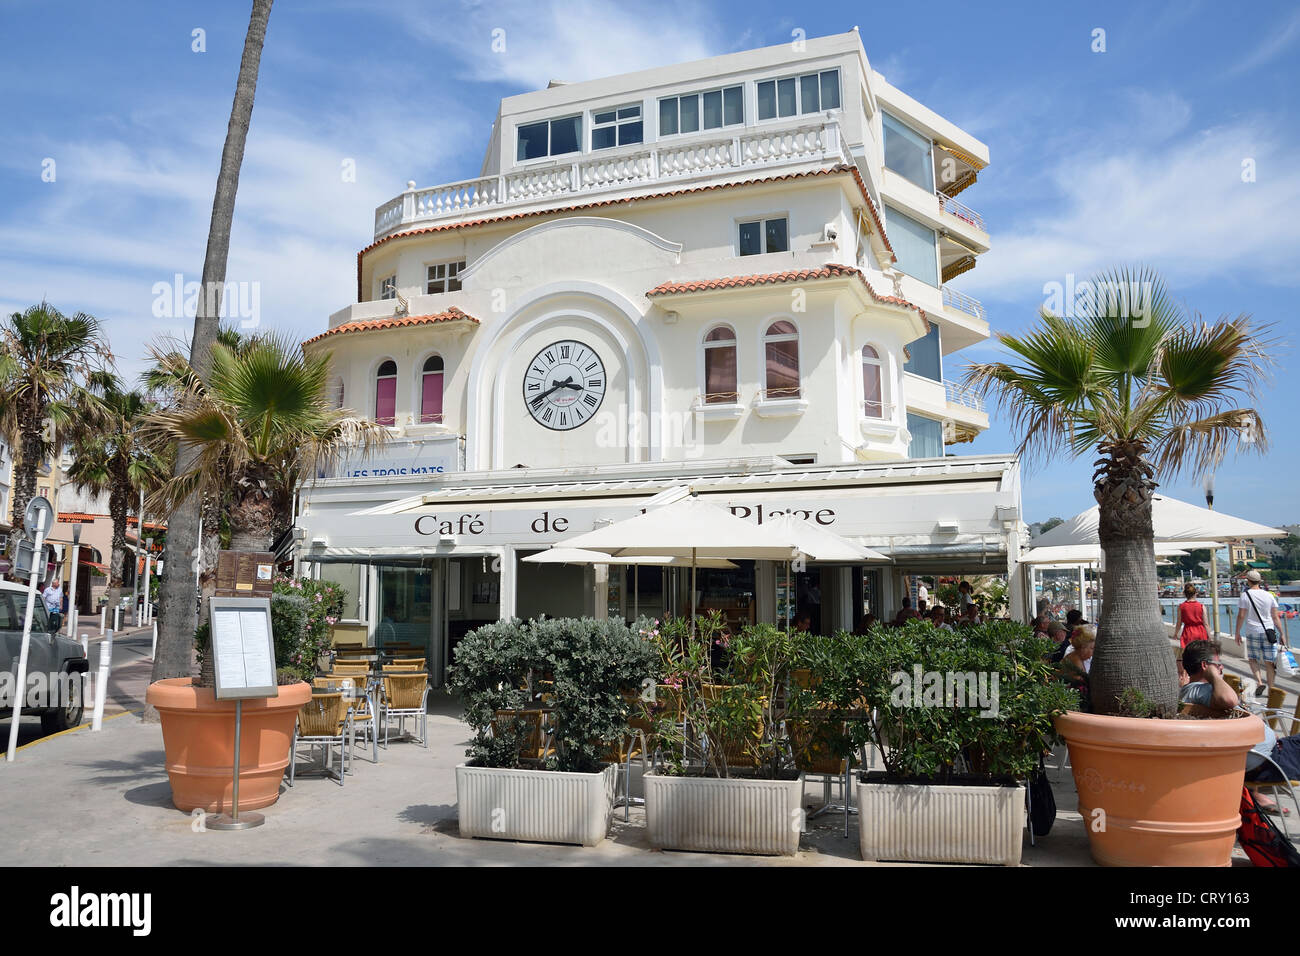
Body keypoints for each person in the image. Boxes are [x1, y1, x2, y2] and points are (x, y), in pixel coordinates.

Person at [1180, 640, 1300, 808]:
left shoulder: (1191, 692)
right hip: (1269, 762)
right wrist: (1213, 675)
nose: (1221, 668)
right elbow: (1229, 700)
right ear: (1205, 666)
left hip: (1268, 754)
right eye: (1218, 665)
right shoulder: (1201, 691)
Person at [1235, 570, 1285, 697]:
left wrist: (1237, 632)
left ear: (1248, 581)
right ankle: (1271, 688)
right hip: (1269, 631)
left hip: (1252, 631)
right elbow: (1275, 617)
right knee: (1269, 662)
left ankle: (1259, 681)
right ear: (1259, 581)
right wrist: (1282, 633)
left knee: (1253, 659)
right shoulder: (1269, 595)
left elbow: (1241, 615)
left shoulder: (1245, 595)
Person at [1059, 625, 1096, 711]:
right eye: (1092, 648)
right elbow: (1082, 684)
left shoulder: (1075, 657)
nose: (1093, 651)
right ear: (1083, 648)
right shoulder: (1076, 661)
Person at [1173, 582, 1209, 649]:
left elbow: (1179, 623)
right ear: (1195, 594)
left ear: (1185, 594)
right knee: (1201, 656)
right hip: (1201, 633)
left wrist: (1175, 634)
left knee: (1188, 655)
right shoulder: (1201, 606)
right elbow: (1206, 624)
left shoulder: (1181, 607)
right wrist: (1209, 637)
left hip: (1188, 633)